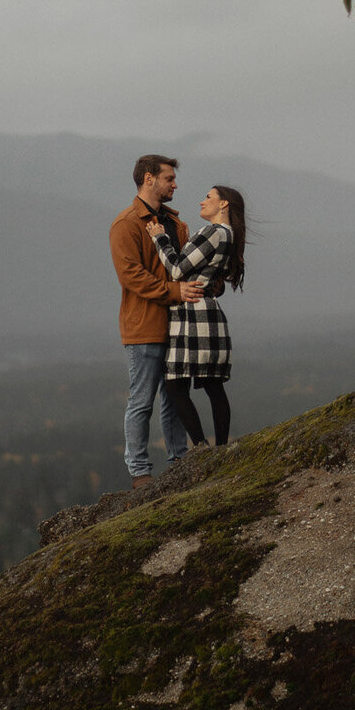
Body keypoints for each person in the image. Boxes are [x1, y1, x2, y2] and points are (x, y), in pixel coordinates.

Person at [109, 154, 204, 488]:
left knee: (175, 398)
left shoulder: (176, 225)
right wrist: (175, 291)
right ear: (149, 179)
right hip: (143, 328)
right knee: (142, 401)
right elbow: (131, 276)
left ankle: (179, 461)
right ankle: (140, 473)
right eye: (169, 178)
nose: (175, 184)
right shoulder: (126, 225)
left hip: (178, 328)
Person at [146, 184, 246, 449]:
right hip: (204, 313)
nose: (203, 201)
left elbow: (178, 269)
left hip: (194, 316)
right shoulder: (228, 234)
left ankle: (202, 447)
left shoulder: (214, 232)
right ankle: (219, 447)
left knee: (175, 384)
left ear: (223, 204)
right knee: (212, 385)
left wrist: (159, 237)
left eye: (209, 197)